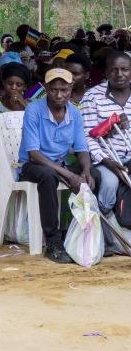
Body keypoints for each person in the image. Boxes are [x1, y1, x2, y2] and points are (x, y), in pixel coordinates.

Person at [18, 68, 94, 263]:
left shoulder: (75, 113)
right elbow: (34, 154)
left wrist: (86, 171)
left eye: (64, 90)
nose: (59, 95)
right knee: (48, 176)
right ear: (47, 89)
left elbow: (81, 148)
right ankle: (53, 242)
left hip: (59, 165)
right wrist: (68, 175)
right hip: (32, 166)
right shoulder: (34, 110)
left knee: (97, 177)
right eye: (54, 90)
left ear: (71, 89)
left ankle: (79, 235)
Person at [79, 51, 131, 226]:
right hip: (104, 159)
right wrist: (107, 161)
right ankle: (104, 223)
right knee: (110, 182)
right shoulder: (92, 96)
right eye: (114, 70)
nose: (119, 74)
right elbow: (87, 136)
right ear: (106, 73)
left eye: (124, 69)